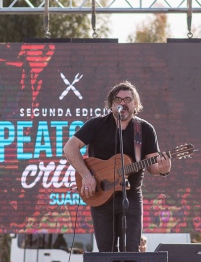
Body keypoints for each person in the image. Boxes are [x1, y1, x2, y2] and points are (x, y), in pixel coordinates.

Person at [64, 81, 171, 252]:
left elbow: (152, 167)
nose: (123, 103)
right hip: (100, 194)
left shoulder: (144, 129)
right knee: (106, 251)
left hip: (131, 196)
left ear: (135, 104)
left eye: (128, 99)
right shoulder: (96, 125)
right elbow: (69, 148)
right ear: (110, 104)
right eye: (117, 100)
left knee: (132, 250)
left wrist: (163, 169)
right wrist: (86, 176)